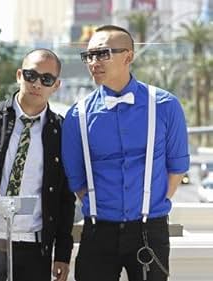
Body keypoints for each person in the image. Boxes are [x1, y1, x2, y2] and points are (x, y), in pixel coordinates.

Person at [62, 25, 189, 281]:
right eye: (89, 56)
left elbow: (177, 168)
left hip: (149, 230)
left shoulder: (165, 106)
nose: (93, 62)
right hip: (98, 232)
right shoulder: (77, 114)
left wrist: (148, 205)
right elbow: (77, 180)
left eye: (102, 54)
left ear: (128, 56)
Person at [0, 48, 76, 281]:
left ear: (56, 85)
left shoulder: (61, 131)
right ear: (19, 75)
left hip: (34, 248)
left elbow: (65, 197)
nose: (37, 84)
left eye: (46, 79)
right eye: (31, 75)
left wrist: (62, 253)